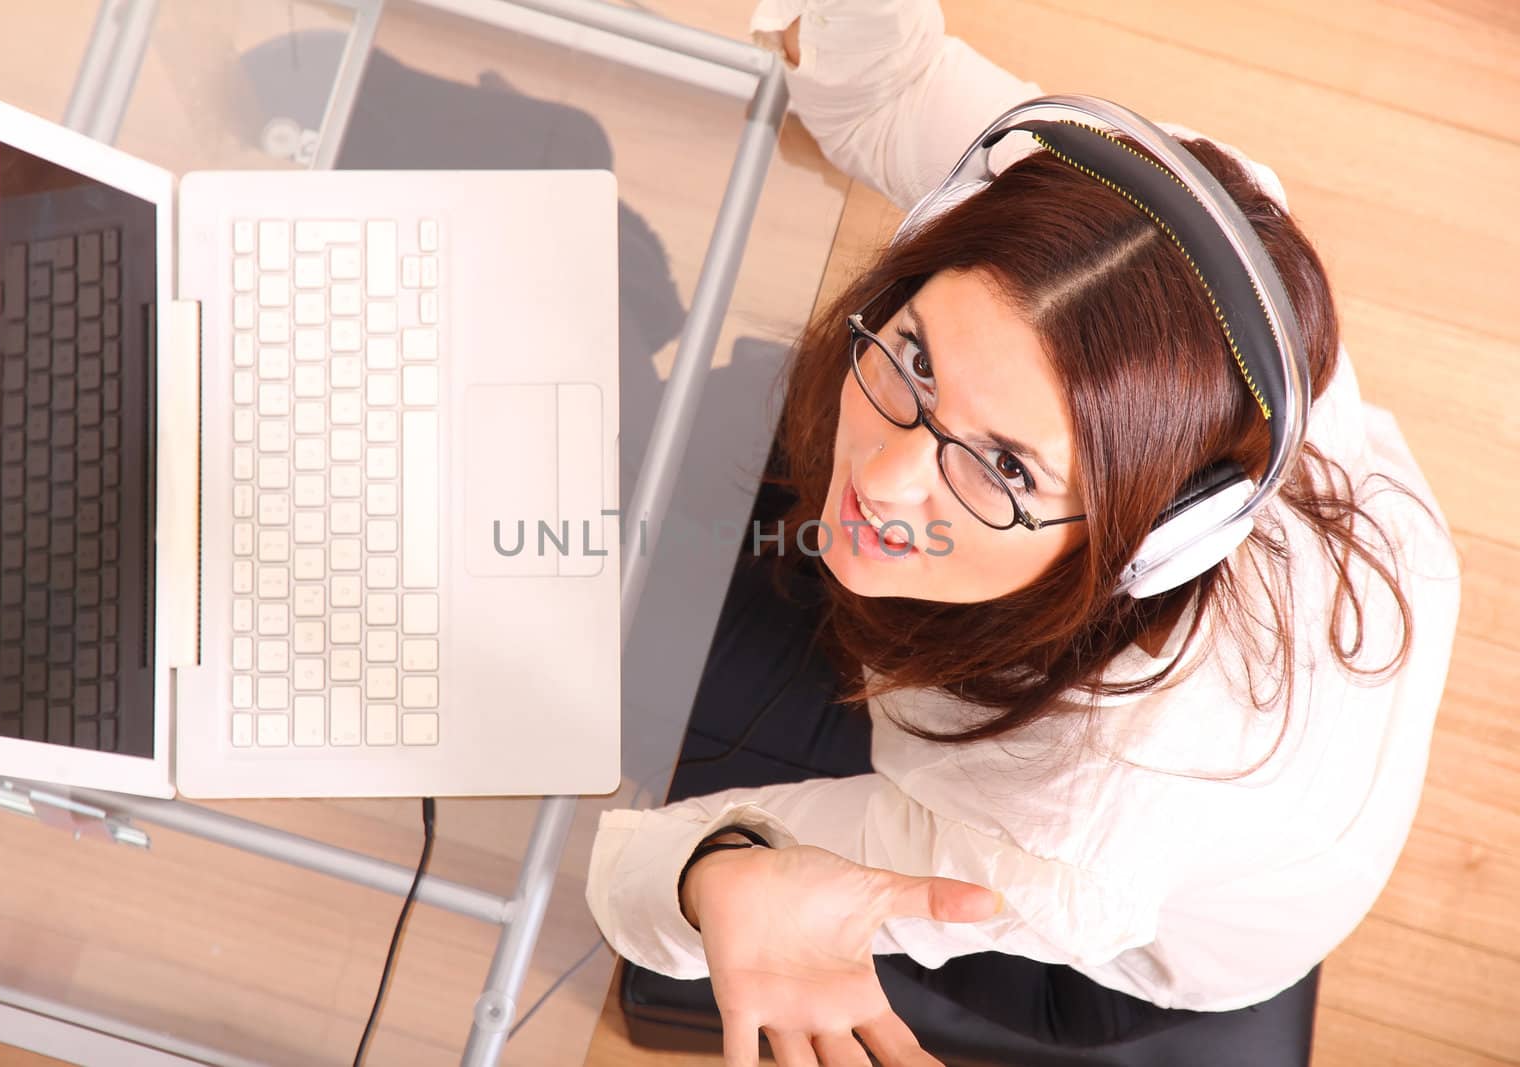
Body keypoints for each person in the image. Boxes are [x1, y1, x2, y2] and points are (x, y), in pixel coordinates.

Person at [585, 2, 1462, 1064]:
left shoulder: (1065, 838)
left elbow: (641, 877)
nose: (886, 480)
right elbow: (894, 87)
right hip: (1149, 736)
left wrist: (715, 869)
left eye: (1005, 464)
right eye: (913, 357)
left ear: (1148, 538)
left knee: (602, 647)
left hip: (1085, 936)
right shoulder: (1191, 254)